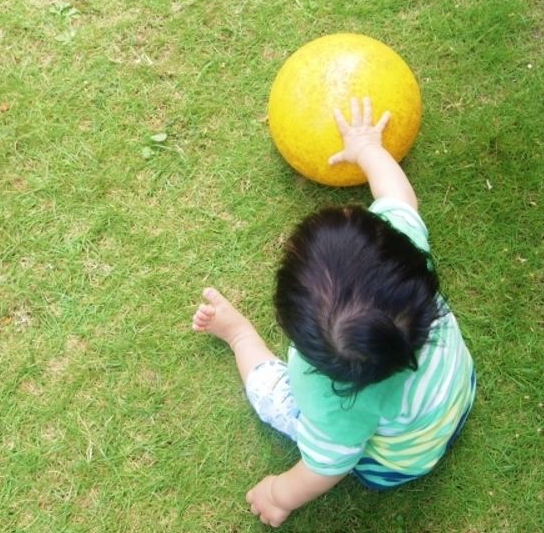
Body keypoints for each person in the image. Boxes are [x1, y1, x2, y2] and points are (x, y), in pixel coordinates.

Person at [191, 97, 476, 528]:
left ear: (298, 334)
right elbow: (398, 196)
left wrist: (277, 493)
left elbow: (325, 467)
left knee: (277, 397)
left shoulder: (327, 397)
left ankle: (238, 335)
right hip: (454, 394)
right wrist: (367, 150)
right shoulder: (411, 263)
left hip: (400, 462)